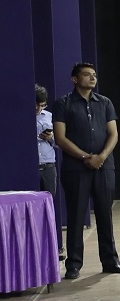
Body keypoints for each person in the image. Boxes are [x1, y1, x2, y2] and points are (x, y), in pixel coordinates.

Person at [53, 63, 120, 280]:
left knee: (105, 213)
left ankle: (110, 260)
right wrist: (86, 157)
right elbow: (60, 137)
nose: (92, 78)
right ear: (75, 79)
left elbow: (113, 134)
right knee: (76, 215)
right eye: (86, 75)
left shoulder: (105, 103)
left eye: (94, 75)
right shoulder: (63, 104)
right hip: (76, 168)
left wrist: (101, 157)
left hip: (104, 166)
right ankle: (73, 265)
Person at [36, 85, 62, 259]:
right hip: (30, 167)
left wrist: (51, 138)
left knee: (49, 208)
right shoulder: (19, 116)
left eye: (42, 105)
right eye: (36, 105)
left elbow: (60, 144)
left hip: (48, 165)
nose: (39, 109)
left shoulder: (50, 117)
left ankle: (52, 248)